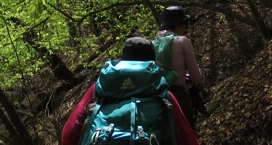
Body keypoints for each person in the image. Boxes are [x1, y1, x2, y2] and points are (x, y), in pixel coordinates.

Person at [61, 37, 199, 145]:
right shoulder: (160, 91)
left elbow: (68, 134)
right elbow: (187, 138)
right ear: (151, 63)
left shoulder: (100, 89)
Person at [154, 6, 204, 131]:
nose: (185, 29)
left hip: (158, 99)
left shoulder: (153, 43)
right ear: (177, 25)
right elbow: (196, 78)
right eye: (184, 25)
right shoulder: (182, 41)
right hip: (178, 96)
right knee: (188, 134)